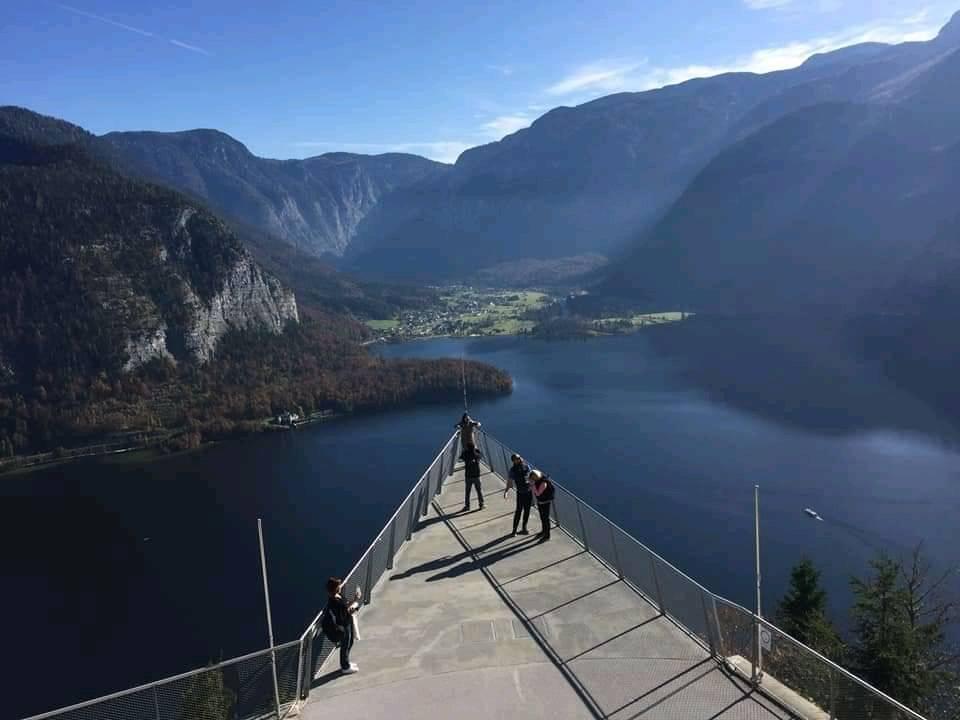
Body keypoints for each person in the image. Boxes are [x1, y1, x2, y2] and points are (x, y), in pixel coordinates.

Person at [324, 577, 360, 674]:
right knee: (345, 644)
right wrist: (351, 611)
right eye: (338, 585)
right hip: (343, 626)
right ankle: (345, 667)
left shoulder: (338, 596)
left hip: (348, 621)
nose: (340, 586)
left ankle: (347, 662)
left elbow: (345, 606)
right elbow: (340, 616)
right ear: (335, 588)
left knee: (350, 641)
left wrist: (355, 600)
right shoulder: (333, 602)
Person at [504, 454, 532, 535]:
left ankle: (524, 528)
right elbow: (510, 482)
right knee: (518, 511)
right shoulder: (512, 470)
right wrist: (506, 491)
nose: (520, 459)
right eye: (518, 458)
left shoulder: (526, 467)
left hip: (528, 492)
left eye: (520, 457)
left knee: (527, 510)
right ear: (514, 461)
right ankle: (514, 530)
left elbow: (531, 478)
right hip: (520, 493)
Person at [531, 470, 555, 541]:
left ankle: (547, 535)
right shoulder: (537, 481)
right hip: (540, 502)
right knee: (542, 517)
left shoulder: (543, 483)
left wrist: (532, 485)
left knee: (546, 519)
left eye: (533, 477)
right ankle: (543, 531)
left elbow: (538, 493)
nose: (533, 479)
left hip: (545, 503)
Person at [460, 443, 484, 511]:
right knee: (479, 491)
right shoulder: (477, 455)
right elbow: (481, 455)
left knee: (467, 492)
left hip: (468, 476)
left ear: (467, 448)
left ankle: (467, 506)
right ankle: (481, 504)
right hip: (477, 476)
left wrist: (465, 451)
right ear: (474, 448)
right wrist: (476, 450)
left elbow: (461, 457)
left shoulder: (465, 454)